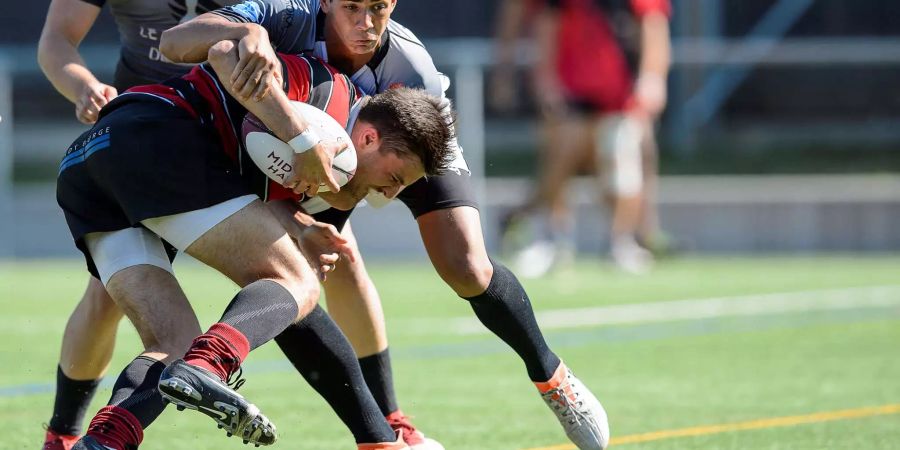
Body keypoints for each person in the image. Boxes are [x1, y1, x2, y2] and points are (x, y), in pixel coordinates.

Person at [158, 1, 609, 448]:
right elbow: (177, 42)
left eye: (378, 7)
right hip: (325, 146)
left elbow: (425, 138)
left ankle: (551, 376)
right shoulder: (288, 14)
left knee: (467, 266)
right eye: (352, 6)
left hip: (411, 140)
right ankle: (390, 428)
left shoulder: (412, 67)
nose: (366, 22)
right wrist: (242, 34)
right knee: (306, 266)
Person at [37, 0, 439, 448]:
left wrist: (299, 226)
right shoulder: (331, 91)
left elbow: (253, 183)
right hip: (151, 136)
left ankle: (107, 439)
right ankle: (210, 366)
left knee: (172, 341)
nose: (389, 194)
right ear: (369, 138)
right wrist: (301, 138)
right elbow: (225, 53)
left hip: (89, 162)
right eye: (395, 178)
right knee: (297, 283)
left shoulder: (327, 155)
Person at [492, 0, 672, 276]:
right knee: (558, 165)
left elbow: (653, 26)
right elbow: (546, 26)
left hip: (620, 96)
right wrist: (546, 83)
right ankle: (553, 241)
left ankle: (621, 242)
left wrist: (652, 78)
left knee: (623, 170)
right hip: (572, 95)